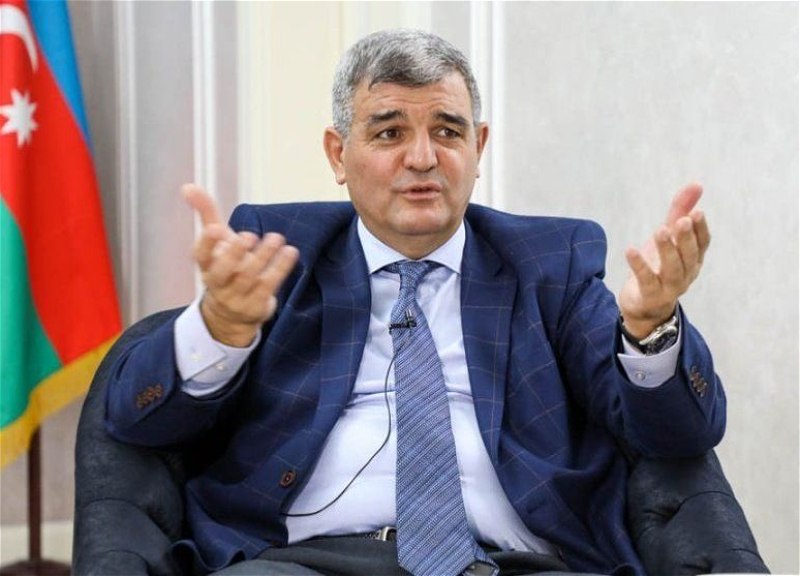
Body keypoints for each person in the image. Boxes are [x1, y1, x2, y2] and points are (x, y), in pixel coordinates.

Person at [105, 29, 724, 576]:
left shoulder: (549, 263)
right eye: (389, 132)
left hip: (513, 561)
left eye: (448, 131)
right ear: (338, 154)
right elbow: (136, 421)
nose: (423, 158)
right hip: (298, 559)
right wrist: (219, 327)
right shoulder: (281, 252)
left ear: (478, 147)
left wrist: (650, 326)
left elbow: (678, 435)